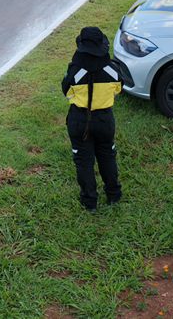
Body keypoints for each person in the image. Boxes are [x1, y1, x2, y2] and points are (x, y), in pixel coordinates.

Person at [61, 26, 133, 211]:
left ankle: (89, 202)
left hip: (79, 119)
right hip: (104, 119)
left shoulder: (75, 71)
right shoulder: (112, 69)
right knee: (107, 155)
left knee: (83, 161)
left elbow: (66, 91)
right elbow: (118, 88)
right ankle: (114, 195)